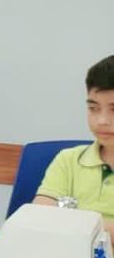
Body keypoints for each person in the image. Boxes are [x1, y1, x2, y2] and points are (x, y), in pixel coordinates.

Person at [33, 55, 114, 241]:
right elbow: (40, 216)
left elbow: (55, 221)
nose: (102, 121)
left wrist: (72, 220)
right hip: (65, 257)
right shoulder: (68, 160)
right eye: (93, 108)